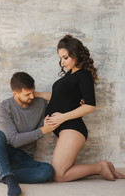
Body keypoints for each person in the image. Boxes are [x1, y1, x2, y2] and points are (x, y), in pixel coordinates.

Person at [35, 34, 125, 182]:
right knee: (64, 170)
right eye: (60, 58)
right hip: (62, 129)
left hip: (72, 128)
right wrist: (36, 94)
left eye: (65, 57)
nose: (62, 62)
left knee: (59, 176)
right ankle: (106, 166)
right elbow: (57, 97)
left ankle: (100, 167)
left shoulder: (83, 75)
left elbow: (90, 106)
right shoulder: (70, 74)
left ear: (75, 55)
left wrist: (61, 117)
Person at [0, 72, 58, 196]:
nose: (32, 97)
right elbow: (14, 140)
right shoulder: (3, 108)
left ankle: (1, 176)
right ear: (15, 93)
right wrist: (43, 130)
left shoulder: (40, 103)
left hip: (24, 159)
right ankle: (10, 179)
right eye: (27, 94)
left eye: (33, 92)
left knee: (48, 171)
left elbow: (59, 97)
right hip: (2, 156)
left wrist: (78, 101)